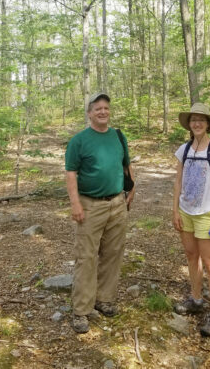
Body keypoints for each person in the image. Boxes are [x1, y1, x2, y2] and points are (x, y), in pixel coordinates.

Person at [65, 92, 135, 334]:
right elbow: (71, 173)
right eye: (98, 109)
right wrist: (75, 204)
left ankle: (104, 299)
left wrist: (131, 187)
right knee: (87, 256)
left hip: (117, 203)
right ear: (89, 113)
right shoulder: (79, 141)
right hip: (90, 205)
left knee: (113, 253)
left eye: (106, 108)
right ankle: (81, 310)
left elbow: (126, 164)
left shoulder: (118, 136)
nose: (103, 112)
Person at [172, 102, 210, 337]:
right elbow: (177, 181)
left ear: (208, 124)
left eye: (201, 120)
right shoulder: (183, 150)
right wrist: (175, 210)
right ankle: (196, 299)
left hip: (207, 213)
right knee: (191, 255)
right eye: (193, 119)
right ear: (189, 123)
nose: (197, 123)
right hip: (186, 212)